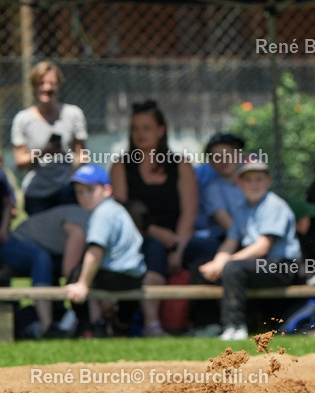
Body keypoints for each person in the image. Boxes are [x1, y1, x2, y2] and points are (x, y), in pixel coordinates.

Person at [110, 100, 203, 336]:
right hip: (138, 237)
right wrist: (155, 232)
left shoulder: (180, 165)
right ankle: (152, 324)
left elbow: (189, 212)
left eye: (146, 128)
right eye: (135, 128)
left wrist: (179, 249)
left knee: (209, 248)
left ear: (161, 130)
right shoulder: (121, 166)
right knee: (154, 248)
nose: (140, 134)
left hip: (179, 237)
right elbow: (121, 212)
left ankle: (206, 322)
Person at [197, 153, 302, 341]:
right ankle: (209, 324)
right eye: (248, 180)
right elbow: (230, 242)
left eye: (259, 179)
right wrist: (215, 263)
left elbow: (263, 247)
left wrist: (225, 263)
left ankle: (235, 327)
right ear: (240, 184)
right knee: (203, 269)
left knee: (232, 268)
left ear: (268, 181)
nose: (254, 184)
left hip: (283, 265)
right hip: (255, 264)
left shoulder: (273, 204)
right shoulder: (241, 207)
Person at [64, 165, 148, 338]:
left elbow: (95, 252)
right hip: (135, 276)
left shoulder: (102, 213)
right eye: (79, 192)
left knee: (76, 276)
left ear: (107, 190)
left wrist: (83, 285)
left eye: (90, 190)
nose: (84, 196)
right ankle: (121, 325)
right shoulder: (115, 209)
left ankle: (86, 328)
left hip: (117, 276)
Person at [11, 60, 88, 215]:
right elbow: (20, 163)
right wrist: (44, 152)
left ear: (59, 85)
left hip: (67, 187)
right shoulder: (23, 119)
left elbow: (82, 155)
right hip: (37, 192)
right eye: (42, 83)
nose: (47, 88)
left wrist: (75, 176)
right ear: (34, 86)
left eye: (52, 83)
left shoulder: (73, 114)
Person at [1, 203, 89, 338]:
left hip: (45, 250)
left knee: (45, 258)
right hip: (14, 243)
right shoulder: (80, 224)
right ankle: (46, 327)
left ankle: (87, 324)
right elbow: (69, 271)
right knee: (41, 258)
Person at [193, 132, 246, 244]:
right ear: (211, 163)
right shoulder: (213, 190)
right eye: (216, 157)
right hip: (232, 242)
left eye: (227, 154)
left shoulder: (254, 182)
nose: (223, 160)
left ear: (238, 155)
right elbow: (231, 229)